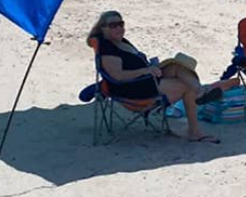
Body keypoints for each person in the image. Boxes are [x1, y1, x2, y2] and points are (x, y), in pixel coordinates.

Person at [88, 10, 233, 144]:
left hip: (145, 79)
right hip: (134, 88)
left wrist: (151, 67)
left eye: (121, 24)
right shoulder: (108, 48)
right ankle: (195, 129)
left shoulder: (121, 41)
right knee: (186, 87)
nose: (119, 28)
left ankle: (200, 91)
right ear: (103, 28)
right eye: (113, 25)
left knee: (177, 67)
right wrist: (146, 71)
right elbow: (118, 77)